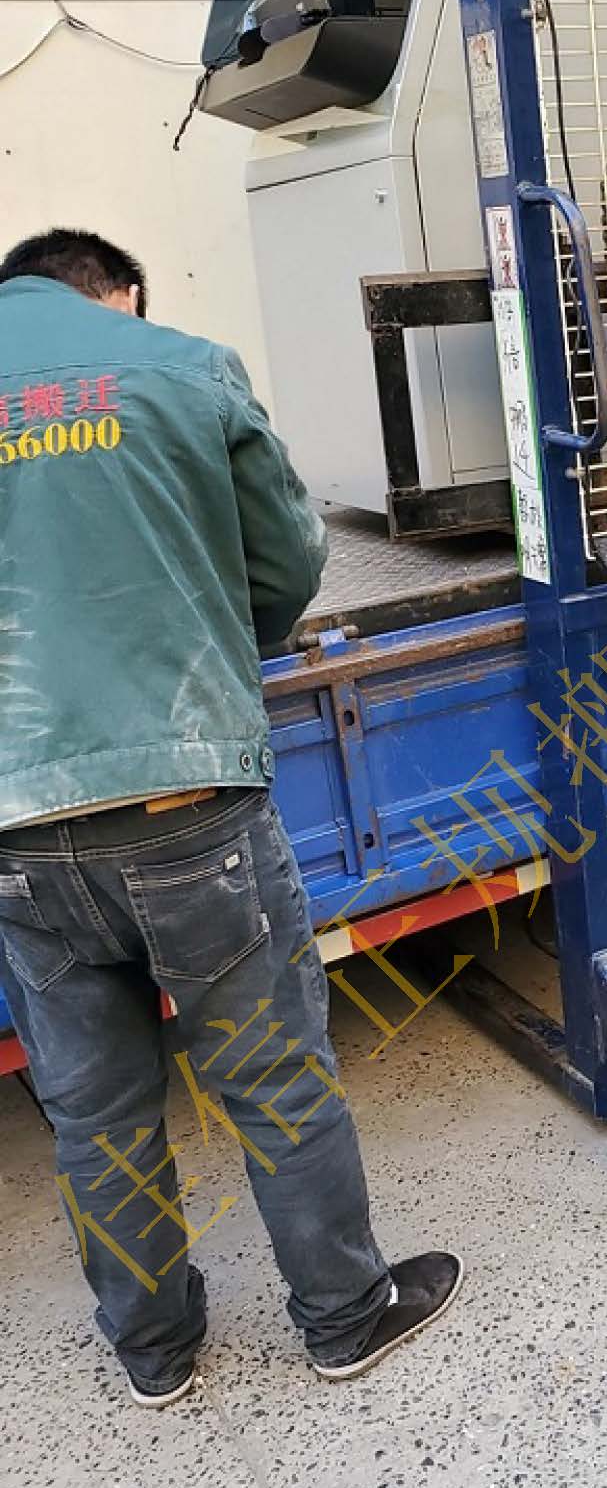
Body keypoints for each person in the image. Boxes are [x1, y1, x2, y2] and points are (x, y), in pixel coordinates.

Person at [0, 230, 461, 1407]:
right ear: (118, 294)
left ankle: (153, 1349)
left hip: (16, 828)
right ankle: (344, 1316)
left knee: (94, 1111)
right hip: (184, 805)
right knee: (272, 1078)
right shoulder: (180, 365)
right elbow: (288, 559)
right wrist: (218, 649)